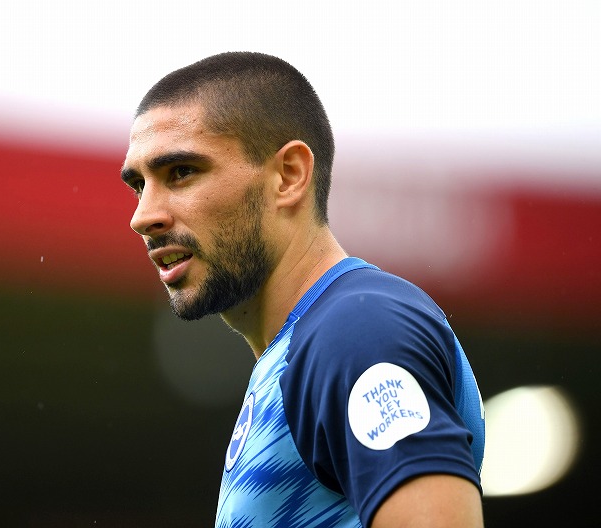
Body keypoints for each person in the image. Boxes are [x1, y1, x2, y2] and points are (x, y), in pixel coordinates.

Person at [120, 52, 484, 527]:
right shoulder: (305, 348)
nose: (142, 217)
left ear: (289, 175)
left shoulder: (357, 331)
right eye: (138, 185)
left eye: (181, 172)